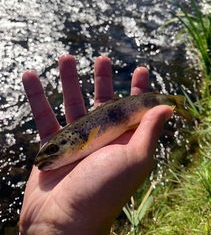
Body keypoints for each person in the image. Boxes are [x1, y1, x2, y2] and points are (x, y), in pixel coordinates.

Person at [19, 55, 173, 235]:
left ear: (72, 139)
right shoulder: (78, 142)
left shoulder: (84, 140)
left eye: (54, 149)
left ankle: (172, 102)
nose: (45, 159)